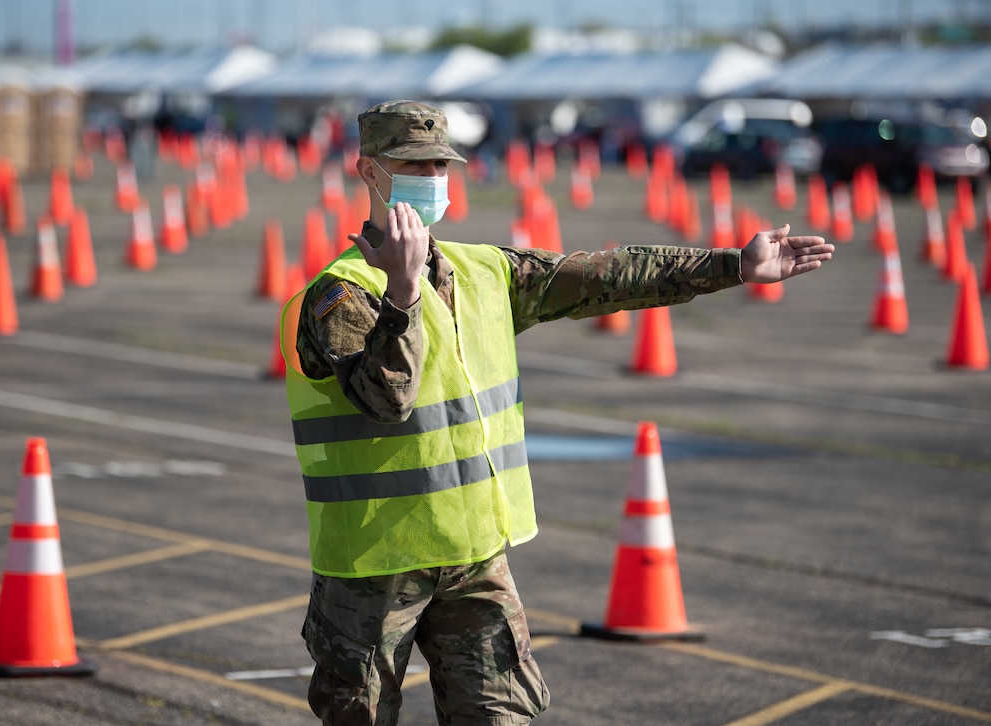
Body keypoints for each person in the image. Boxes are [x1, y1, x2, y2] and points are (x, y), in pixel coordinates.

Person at [280, 100, 834, 725]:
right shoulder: (340, 293)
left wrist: (733, 266)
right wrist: (404, 293)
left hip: (475, 559)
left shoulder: (484, 271)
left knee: (502, 716)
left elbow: (605, 275)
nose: (432, 176)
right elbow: (387, 398)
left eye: (441, 163)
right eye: (413, 163)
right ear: (368, 173)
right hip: (374, 571)